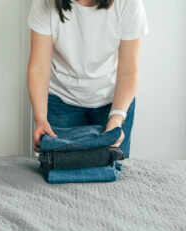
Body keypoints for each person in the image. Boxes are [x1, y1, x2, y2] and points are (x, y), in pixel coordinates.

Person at [27, 0, 149, 158]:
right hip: (61, 100)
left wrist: (117, 118)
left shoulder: (128, 3)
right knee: (61, 172)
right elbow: (39, 69)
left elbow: (129, 71)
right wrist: (40, 118)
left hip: (113, 102)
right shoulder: (44, 2)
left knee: (112, 172)